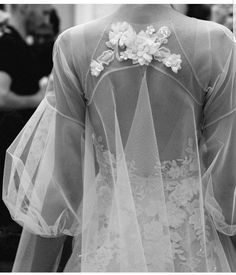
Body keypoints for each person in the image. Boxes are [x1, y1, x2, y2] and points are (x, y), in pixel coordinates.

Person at [2, 4, 236, 272]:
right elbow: (227, 181)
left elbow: (62, 181)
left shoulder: (74, 44)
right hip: (189, 240)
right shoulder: (217, 44)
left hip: (106, 236)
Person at [0, 4, 53, 232]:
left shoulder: (21, 44)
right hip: (8, 138)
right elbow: (1, 96)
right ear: (22, 7)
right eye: (42, 11)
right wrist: (39, 99)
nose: (45, 18)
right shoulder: (7, 44)